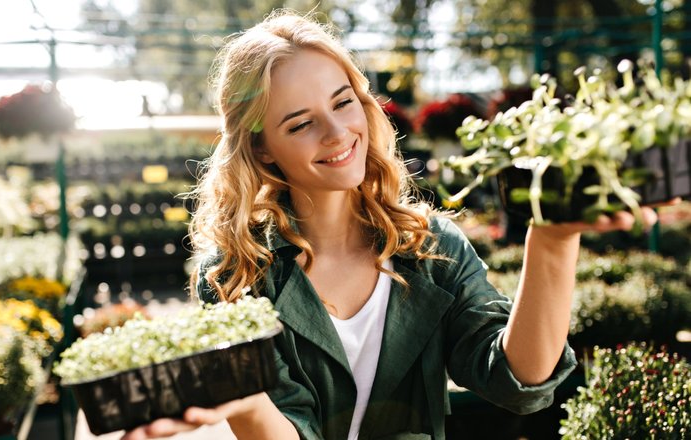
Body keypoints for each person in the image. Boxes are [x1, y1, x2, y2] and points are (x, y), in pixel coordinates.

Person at [123, 9, 660, 440]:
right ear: (262, 149)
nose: (338, 133)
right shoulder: (236, 274)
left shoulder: (430, 248)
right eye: (303, 123)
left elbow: (517, 383)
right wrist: (246, 398)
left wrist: (552, 237)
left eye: (344, 102)